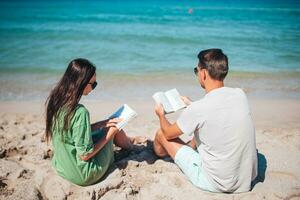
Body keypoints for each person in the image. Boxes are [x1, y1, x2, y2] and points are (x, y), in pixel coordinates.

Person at [153, 49, 258, 193]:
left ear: (203, 73)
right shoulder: (240, 95)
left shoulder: (199, 109)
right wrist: (191, 104)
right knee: (204, 126)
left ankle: (162, 154)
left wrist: (161, 115)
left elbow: (168, 133)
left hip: (217, 183)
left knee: (160, 134)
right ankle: (189, 148)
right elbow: (218, 111)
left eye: (196, 71)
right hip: (245, 180)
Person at [45, 58, 143, 186]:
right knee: (113, 129)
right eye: (93, 84)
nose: (94, 88)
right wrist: (109, 134)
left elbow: (70, 132)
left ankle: (130, 141)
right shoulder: (80, 112)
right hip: (83, 174)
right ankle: (131, 146)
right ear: (82, 82)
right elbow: (85, 155)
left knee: (108, 125)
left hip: (62, 166)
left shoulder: (56, 100)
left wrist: (100, 124)